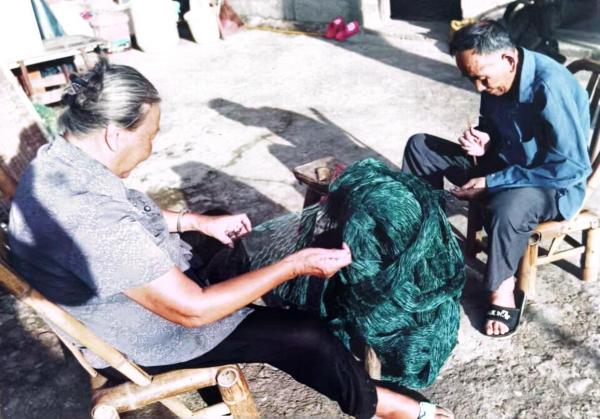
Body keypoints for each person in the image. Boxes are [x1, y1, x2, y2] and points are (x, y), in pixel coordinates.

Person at [7, 57, 452, 419]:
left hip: (133, 295)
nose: (152, 148)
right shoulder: (87, 216)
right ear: (114, 134)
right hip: (148, 335)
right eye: (150, 136)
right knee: (306, 336)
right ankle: (380, 405)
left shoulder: (61, 161)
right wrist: (292, 266)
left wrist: (195, 223)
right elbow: (192, 311)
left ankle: (265, 290)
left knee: (222, 225)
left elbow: (131, 214)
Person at [402, 20, 590, 337]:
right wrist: (485, 139)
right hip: (504, 164)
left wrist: (492, 181)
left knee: (508, 207)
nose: (478, 87)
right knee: (420, 147)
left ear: (508, 60)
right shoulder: (495, 76)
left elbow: (572, 167)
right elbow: (493, 125)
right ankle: (427, 246)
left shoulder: (549, 87)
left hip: (549, 184)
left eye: (481, 78)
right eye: (470, 78)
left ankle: (501, 290)